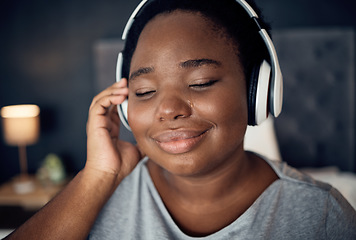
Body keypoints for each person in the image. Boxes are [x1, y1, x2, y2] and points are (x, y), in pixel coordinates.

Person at [5, 0, 356, 239]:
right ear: (125, 106)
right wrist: (97, 177)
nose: (168, 109)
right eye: (143, 92)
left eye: (200, 83)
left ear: (258, 91)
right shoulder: (95, 200)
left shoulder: (320, 215)